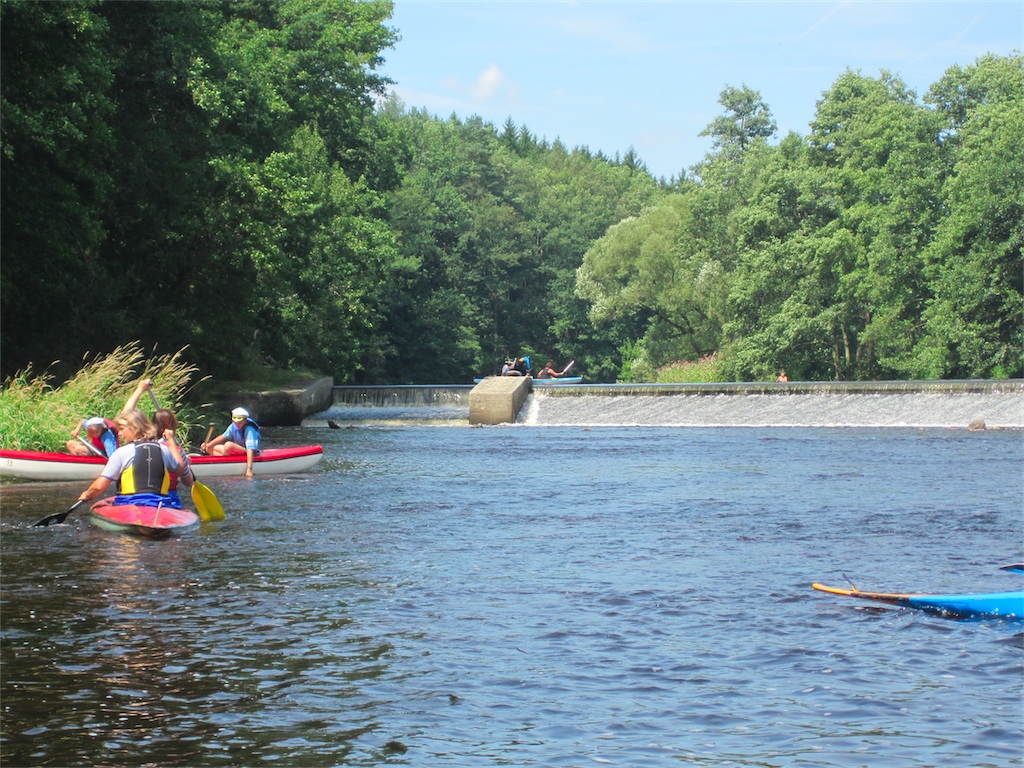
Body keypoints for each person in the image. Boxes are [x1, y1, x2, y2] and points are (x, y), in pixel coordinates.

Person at [76, 408, 184, 508]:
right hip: (160, 504)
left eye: (122, 429)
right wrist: (171, 442)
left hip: (130, 504)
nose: (119, 433)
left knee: (100, 505)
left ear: (134, 427)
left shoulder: (121, 453)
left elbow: (99, 487)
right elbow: (180, 470)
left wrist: (87, 494)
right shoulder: (164, 450)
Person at [201, 407, 260, 477]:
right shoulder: (233, 426)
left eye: (240, 422)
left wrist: (249, 469)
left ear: (245, 420)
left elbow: (250, 449)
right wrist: (208, 445)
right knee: (209, 448)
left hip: (248, 452)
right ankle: (223, 462)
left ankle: (225, 460)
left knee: (228, 445)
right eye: (236, 423)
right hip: (237, 450)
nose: (237, 424)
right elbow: (223, 436)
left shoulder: (250, 430)